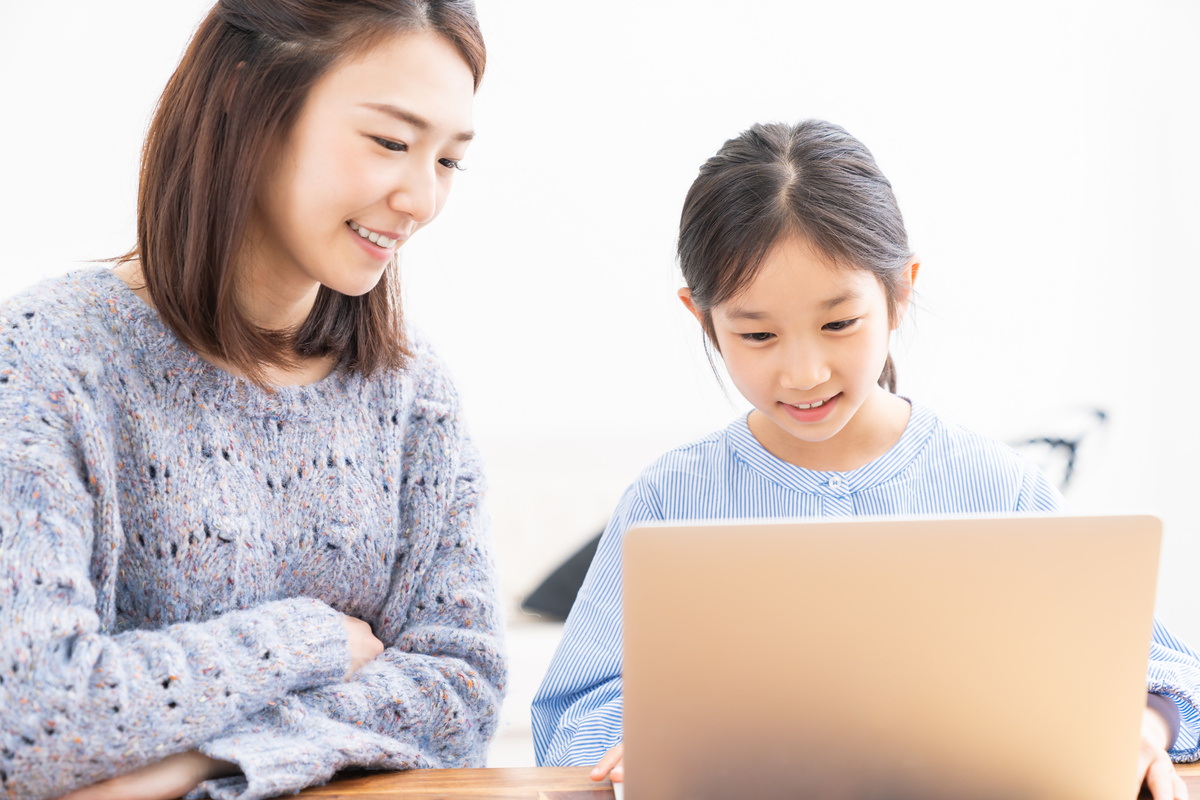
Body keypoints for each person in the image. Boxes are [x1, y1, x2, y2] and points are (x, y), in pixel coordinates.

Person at [531, 119, 1200, 800]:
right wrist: (649, 736)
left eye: (838, 324)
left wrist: (1147, 722)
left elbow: (1169, 672)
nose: (803, 372)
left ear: (899, 293)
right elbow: (568, 718)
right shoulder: (670, 500)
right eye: (757, 333)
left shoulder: (993, 483)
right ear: (703, 319)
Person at [0, 2, 504, 799]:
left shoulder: (412, 392)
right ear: (245, 101)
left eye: (448, 161)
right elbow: (32, 715)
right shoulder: (49, 359)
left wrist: (206, 761)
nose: (421, 198)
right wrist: (311, 641)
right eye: (391, 143)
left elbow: (462, 690)